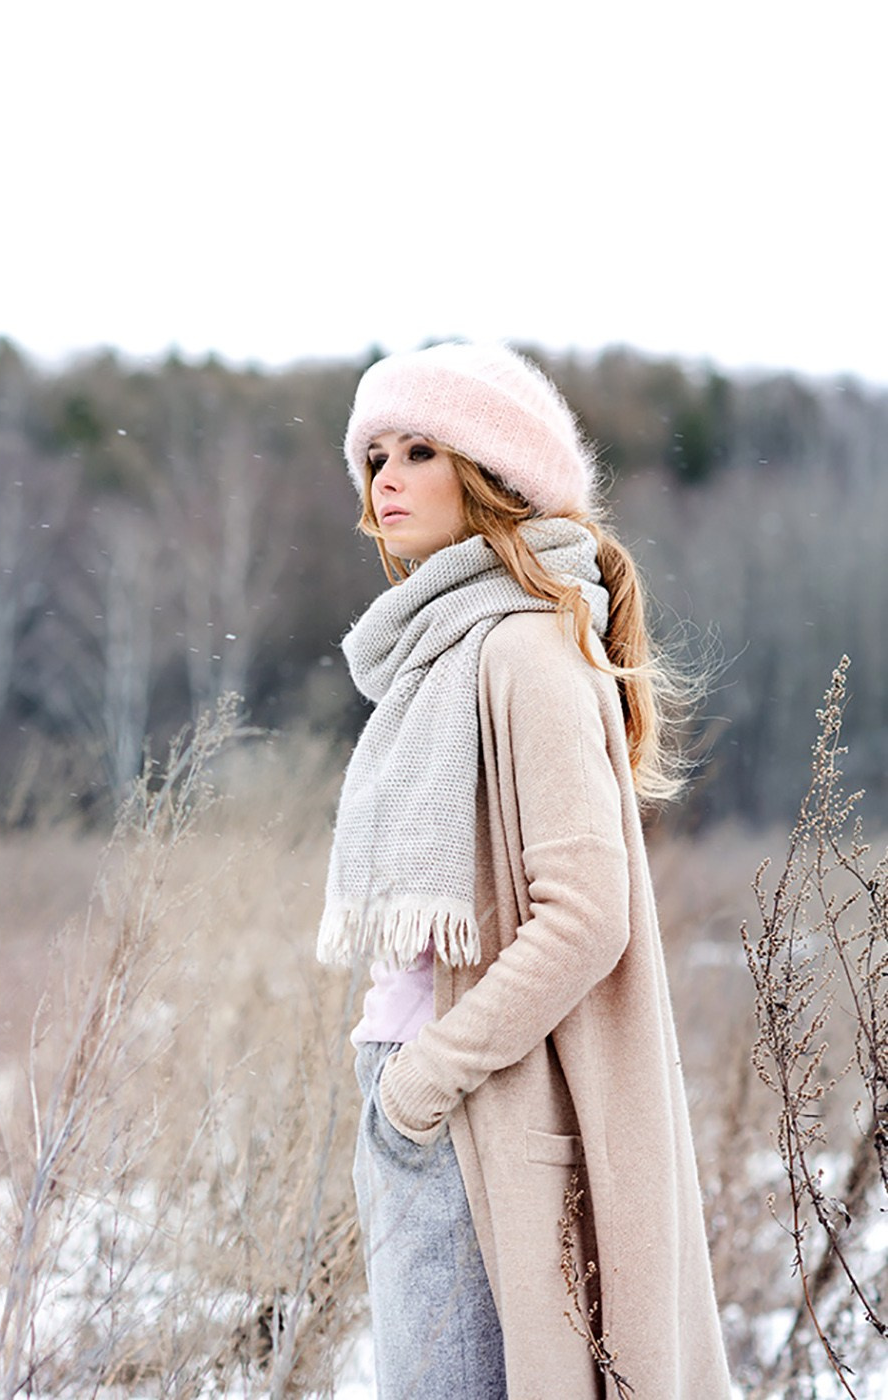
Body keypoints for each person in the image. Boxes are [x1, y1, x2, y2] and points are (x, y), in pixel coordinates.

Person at [317, 342, 732, 1399]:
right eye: (375, 455)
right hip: (424, 1097)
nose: (388, 478)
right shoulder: (447, 649)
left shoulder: (521, 649)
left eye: (420, 450)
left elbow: (584, 913)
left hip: (464, 1105)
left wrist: (426, 1079)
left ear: (493, 475)